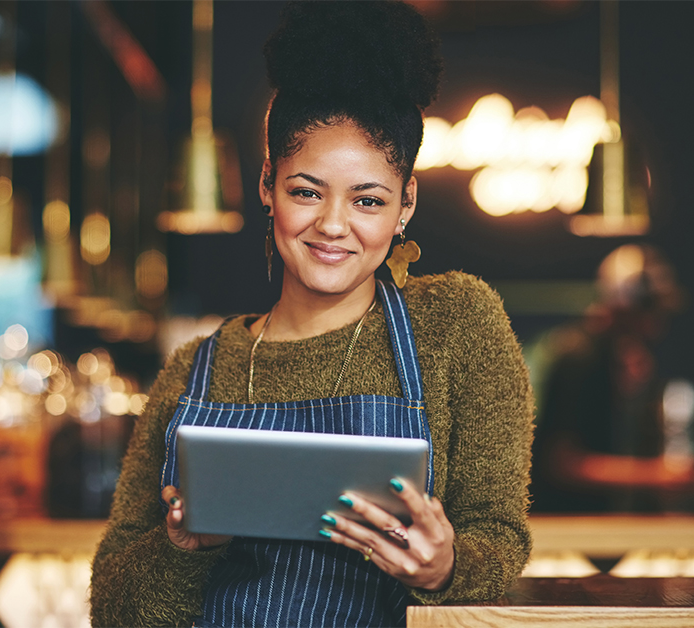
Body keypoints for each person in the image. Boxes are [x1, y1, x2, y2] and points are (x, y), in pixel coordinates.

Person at [89, 3, 534, 627]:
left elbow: (501, 540)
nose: (332, 225)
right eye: (307, 191)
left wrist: (445, 567)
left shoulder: (457, 324)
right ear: (268, 183)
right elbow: (113, 612)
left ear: (405, 202)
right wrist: (182, 547)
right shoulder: (196, 368)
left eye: (368, 200)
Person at [528, 244, 694, 514]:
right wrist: (658, 475)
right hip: (566, 527)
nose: (656, 323)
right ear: (624, 306)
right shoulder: (579, 356)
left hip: (591, 526)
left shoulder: (613, 356)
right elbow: (562, 463)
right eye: (650, 310)